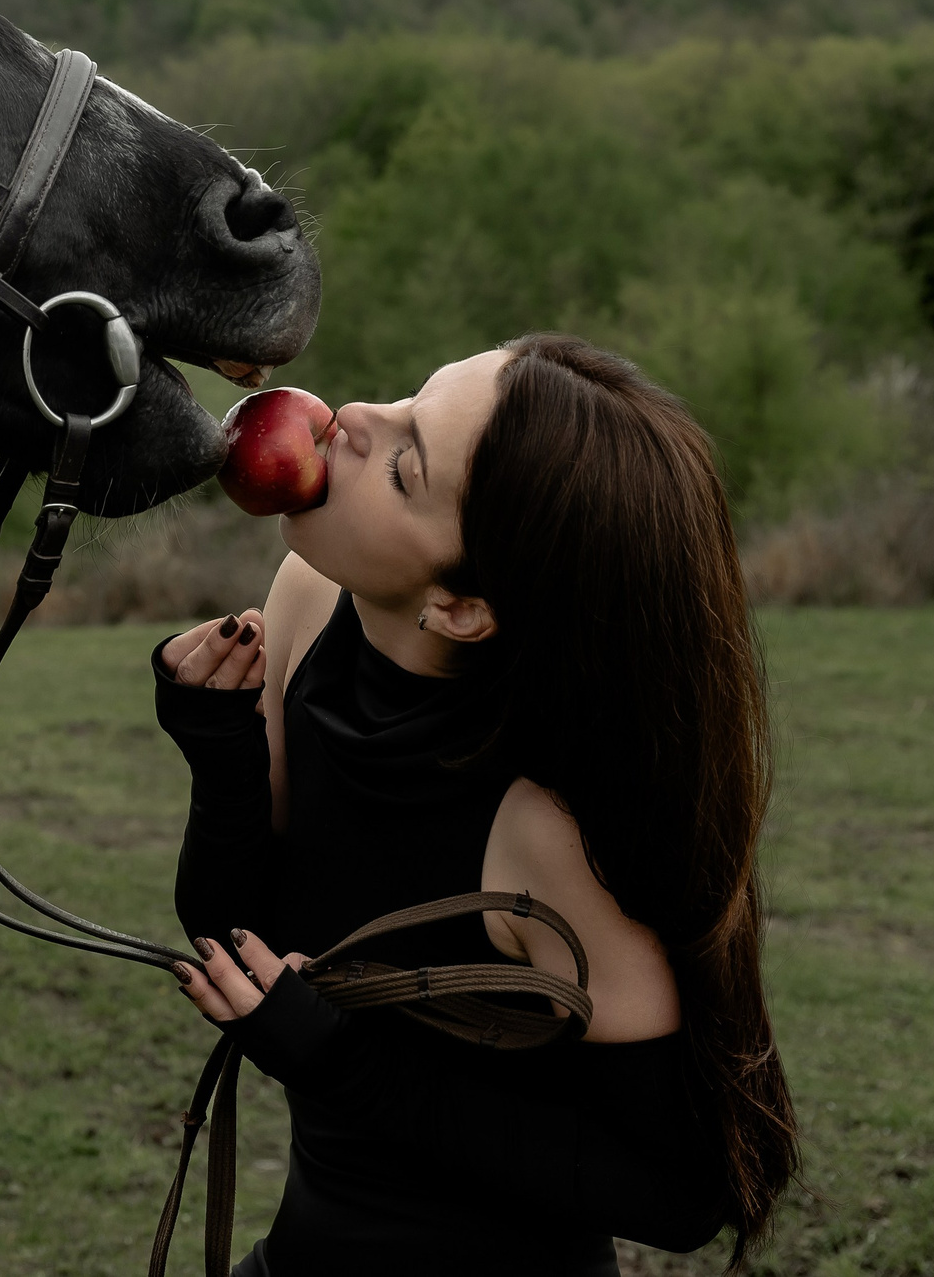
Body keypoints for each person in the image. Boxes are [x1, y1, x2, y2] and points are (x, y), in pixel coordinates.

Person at [156, 333, 798, 1275]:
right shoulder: (307, 599)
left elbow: (678, 1190)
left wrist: (347, 1067)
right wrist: (222, 754)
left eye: (405, 463)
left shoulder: (549, 834)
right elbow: (233, 937)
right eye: (407, 399)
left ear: (461, 606)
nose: (353, 418)